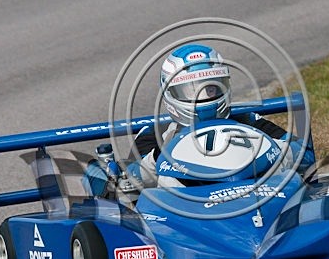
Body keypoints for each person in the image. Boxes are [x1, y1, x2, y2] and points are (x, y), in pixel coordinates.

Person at [126, 43, 311, 187]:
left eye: (211, 88)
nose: (202, 97)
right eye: (189, 90)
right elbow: (130, 180)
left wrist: (270, 148)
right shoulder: (155, 134)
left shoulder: (247, 120)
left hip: (251, 194)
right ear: (169, 93)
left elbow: (304, 155)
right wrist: (161, 156)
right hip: (186, 213)